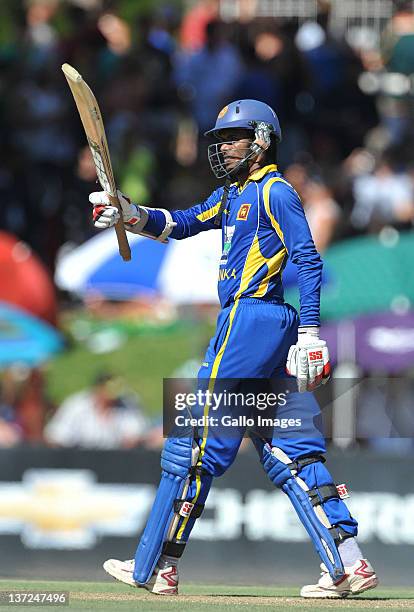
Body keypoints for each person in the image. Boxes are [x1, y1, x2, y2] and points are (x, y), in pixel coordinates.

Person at [89, 100, 378, 598]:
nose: (221, 147)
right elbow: (180, 223)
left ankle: (154, 565)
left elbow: (308, 263)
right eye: (219, 139)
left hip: (251, 318)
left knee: (196, 438)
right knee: (290, 447)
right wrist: (129, 213)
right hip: (266, 328)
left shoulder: (275, 192)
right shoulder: (231, 195)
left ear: (262, 139)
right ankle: (348, 563)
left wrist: (310, 332)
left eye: (233, 137)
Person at [44, 372, 148, 449]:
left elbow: (138, 432)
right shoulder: (76, 406)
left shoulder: (127, 404)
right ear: (98, 388)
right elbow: (56, 436)